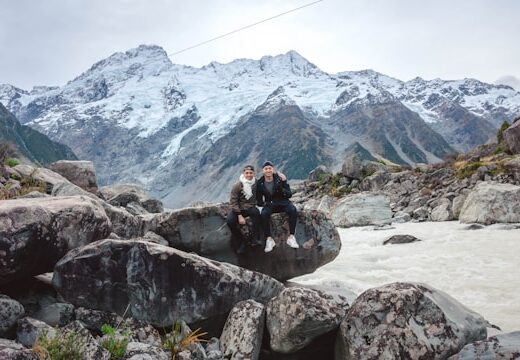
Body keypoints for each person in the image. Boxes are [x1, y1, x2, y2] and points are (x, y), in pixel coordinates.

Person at [256, 161, 299, 252]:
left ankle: (291, 237)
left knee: (293, 210)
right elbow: (259, 201)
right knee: (264, 214)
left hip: (283, 202)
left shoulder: (280, 178)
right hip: (270, 204)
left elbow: (289, 194)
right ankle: (269, 239)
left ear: (273, 169)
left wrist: (282, 188)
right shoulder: (260, 183)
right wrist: (264, 204)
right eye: (266, 169)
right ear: (263, 171)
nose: (268, 170)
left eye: (270, 168)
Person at [226, 165, 262, 254]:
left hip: (250, 207)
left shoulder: (256, 183)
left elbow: (263, 190)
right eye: (247, 173)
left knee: (257, 214)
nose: (249, 175)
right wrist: (239, 215)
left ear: (254, 173)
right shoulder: (237, 185)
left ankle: (254, 239)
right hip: (238, 208)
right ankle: (242, 241)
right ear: (243, 173)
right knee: (230, 222)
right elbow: (233, 201)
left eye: (251, 173)